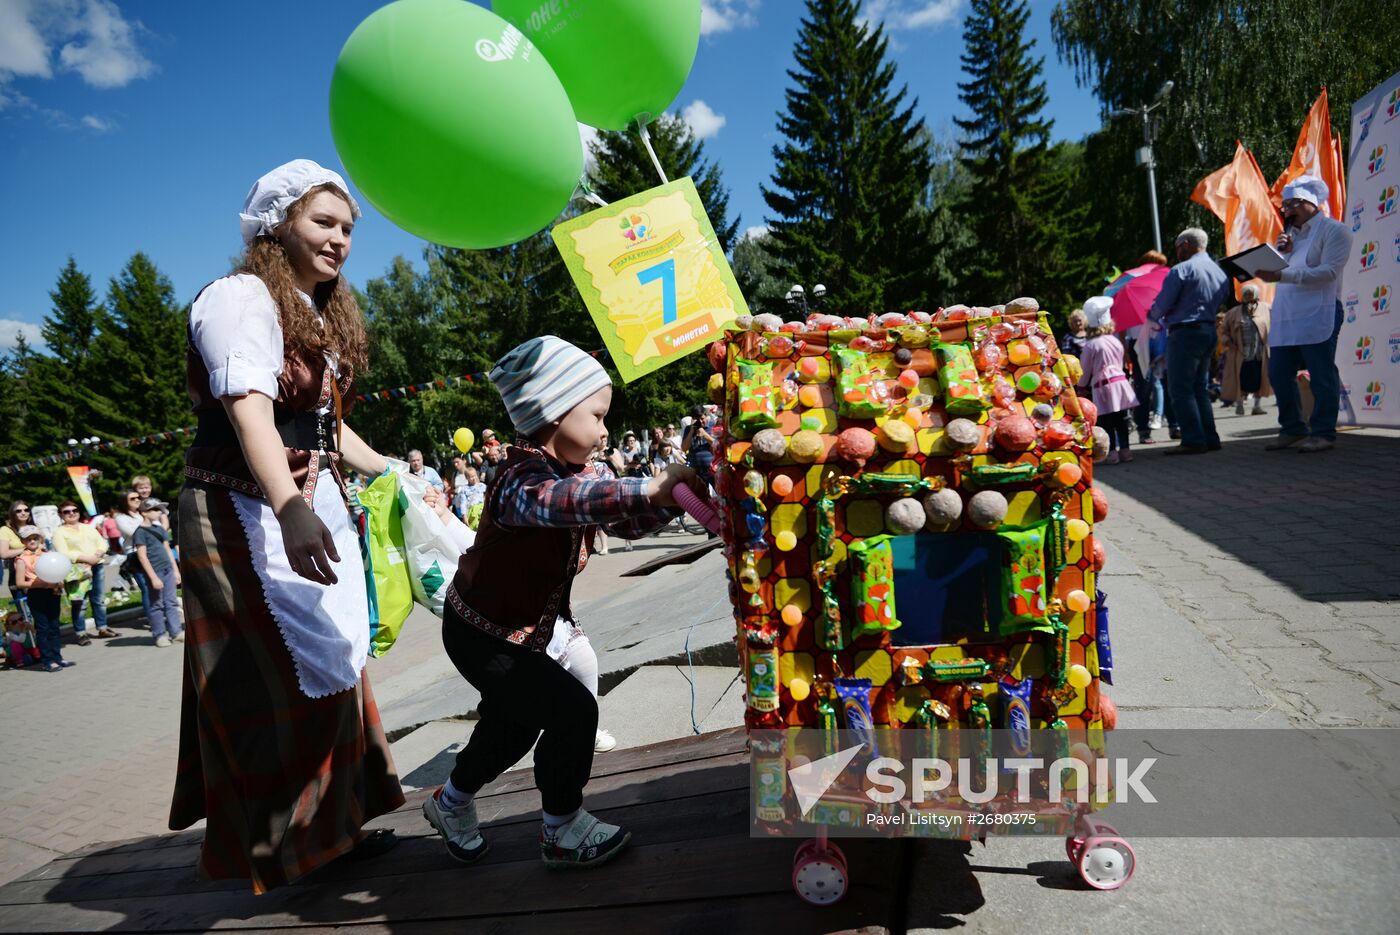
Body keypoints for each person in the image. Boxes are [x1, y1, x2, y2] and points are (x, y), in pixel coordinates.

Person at [170, 158, 404, 893]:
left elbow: (330, 431)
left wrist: (395, 471)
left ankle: (334, 826)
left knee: (337, 663)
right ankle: (283, 845)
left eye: (347, 228)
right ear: (277, 225)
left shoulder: (316, 313)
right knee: (270, 681)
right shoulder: (241, 299)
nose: (339, 239)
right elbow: (250, 414)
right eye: (322, 222)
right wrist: (292, 508)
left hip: (302, 509)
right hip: (242, 512)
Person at [422, 335, 698, 869]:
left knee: (516, 724)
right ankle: (561, 828)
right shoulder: (520, 478)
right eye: (595, 416)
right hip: (481, 631)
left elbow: (622, 520)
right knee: (573, 710)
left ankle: (450, 802)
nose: (603, 430)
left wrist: (675, 500)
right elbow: (558, 504)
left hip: (519, 631)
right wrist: (646, 488)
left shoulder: (581, 474)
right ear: (552, 413)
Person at [1254, 175, 1352, 452]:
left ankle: (1323, 432)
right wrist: (1279, 254)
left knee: (1321, 375)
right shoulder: (1290, 238)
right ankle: (1293, 428)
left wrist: (1282, 273)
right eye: (1284, 206)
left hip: (1319, 312)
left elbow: (1328, 272)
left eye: (1293, 204)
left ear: (1311, 203)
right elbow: (1280, 275)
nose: (1287, 211)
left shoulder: (1335, 231)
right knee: (1278, 372)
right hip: (1287, 316)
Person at [1148, 228, 1232, 455]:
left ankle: (1193, 439)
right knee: (1200, 388)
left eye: (1178, 248)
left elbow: (1163, 304)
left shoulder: (1182, 270)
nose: (1177, 252)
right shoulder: (1219, 271)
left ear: (1186, 244)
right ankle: (1209, 437)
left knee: (1181, 388)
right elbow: (1222, 298)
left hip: (1184, 333)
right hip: (1208, 330)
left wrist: (1152, 315)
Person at [1077, 297, 1139, 464]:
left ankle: (1111, 453)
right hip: (1119, 382)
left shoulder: (1091, 345)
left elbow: (1085, 369)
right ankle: (1126, 450)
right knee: (1121, 418)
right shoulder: (1115, 341)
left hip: (1102, 385)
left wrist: (1081, 386)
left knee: (1105, 420)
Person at [52, 500, 116, 644]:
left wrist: (97, 555)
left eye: (74, 510)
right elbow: (63, 552)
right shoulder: (59, 532)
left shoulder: (87, 527)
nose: (72, 513)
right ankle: (81, 632)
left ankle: (102, 627)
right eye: (67, 512)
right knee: (79, 602)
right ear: (60, 515)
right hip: (78, 570)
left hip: (96, 565)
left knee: (99, 599)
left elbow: (102, 543)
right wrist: (86, 558)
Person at [13, 525, 74, 672]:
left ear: (40, 539)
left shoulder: (48, 554)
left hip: (52, 592)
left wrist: (58, 584)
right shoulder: (22, 559)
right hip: (37, 593)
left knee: (54, 626)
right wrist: (40, 583)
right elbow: (20, 583)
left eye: (35, 538)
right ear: (23, 541)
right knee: (43, 628)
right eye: (29, 539)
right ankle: (47, 660)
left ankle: (58, 657)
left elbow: (57, 571)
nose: (32, 541)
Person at [133, 497, 184, 646]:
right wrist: (153, 577)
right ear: (144, 512)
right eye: (155, 509)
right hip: (155, 572)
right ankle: (159, 635)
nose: (159, 512)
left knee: (171, 602)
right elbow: (142, 556)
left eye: (160, 509)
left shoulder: (159, 529)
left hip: (168, 569)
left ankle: (176, 632)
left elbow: (168, 550)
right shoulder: (140, 532)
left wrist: (176, 570)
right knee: (156, 604)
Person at [1219, 283, 1273, 416]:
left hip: (1260, 353)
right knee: (1241, 380)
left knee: (1260, 379)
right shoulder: (1233, 312)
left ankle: (1257, 406)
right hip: (1240, 354)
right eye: (1246, 294)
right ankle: (1240, 405)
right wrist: (1227, 341)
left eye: (1251, 293)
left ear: (1255, 295)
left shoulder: (1266, 309)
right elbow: (1222, 330)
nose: (1248, 296)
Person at [1, 501, 32, 591]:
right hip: (18, 575)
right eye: (18, 511)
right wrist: (25, 549)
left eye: (26, 510)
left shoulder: (34, 528)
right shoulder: (5, 530)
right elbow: (3, 554)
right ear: (12, 513)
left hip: (37, 575)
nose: (23, 513)